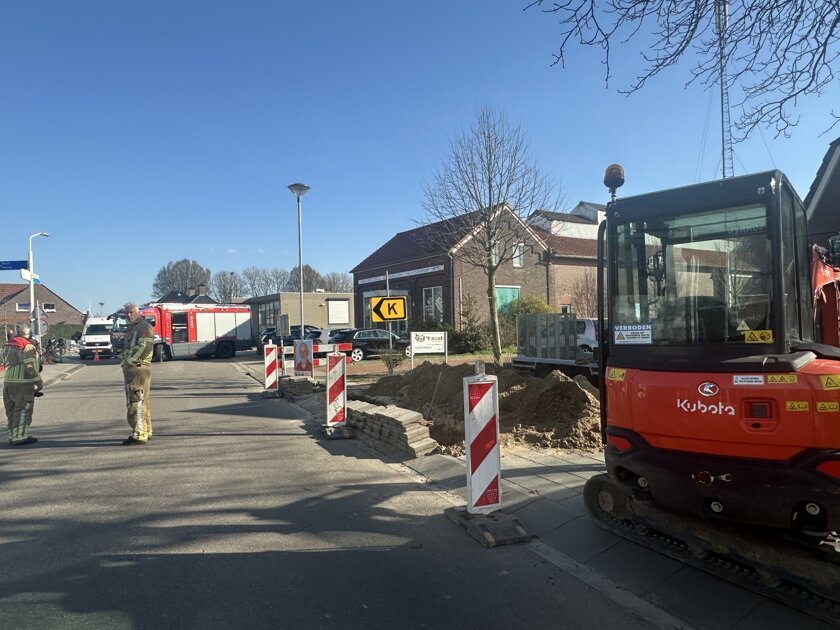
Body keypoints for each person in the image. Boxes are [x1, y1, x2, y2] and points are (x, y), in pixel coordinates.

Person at [3, 325, 44, 446]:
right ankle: (20, 436)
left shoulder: (9, 344)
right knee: (23, 410)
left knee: (11, 410)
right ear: (29, 334)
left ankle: (12, 435)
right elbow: (29, 366)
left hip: (8, 382)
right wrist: (38, 381)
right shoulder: (27, 346)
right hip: (23, 383)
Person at [121, 302, 154, 445]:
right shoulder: (134, 328)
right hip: (134, 368)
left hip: (137, 368)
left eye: (131, 312)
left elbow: (144, 346)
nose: (128, 315)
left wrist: (129, 360)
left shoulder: (144, 327)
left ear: (137, 312)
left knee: (136, 401)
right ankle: (146, 430)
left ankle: (139, 434)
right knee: (142, 401)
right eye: (126, 313)